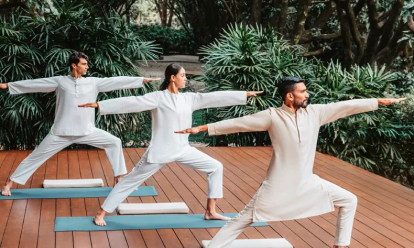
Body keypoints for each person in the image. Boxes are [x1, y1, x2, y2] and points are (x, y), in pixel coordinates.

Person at [176, 76, 405, 248]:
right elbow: (239, 122)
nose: (307, 95)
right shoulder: (272, 116)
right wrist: (203, 128)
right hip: (277, 185)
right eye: (303, 92)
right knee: (242, 220)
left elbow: (346, 106)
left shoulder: (316, 113)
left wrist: (377, 101)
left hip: (307, 182)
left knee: (349, 200)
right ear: (289, 96)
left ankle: (340, 246)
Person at [78, 62, 263, 225]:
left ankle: (211, 211)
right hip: (160, 151)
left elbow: (214, 98)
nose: (186, 79)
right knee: (129, 181)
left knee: (216, 167)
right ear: (172, 78)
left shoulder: (189, 98)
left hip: (182, 149)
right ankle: (101, 213)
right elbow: (132, 102)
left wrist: (244, 94)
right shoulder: (158, 97)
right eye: (183, 75)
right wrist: (101, 105)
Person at [1, 51, 159, 196]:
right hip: (61, 132)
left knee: (114, 142)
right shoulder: (60, 82)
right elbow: (36, 84)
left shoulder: (93, 82)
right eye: (84, 64)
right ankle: (9, 184)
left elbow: (115, 82)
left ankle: (119, 178)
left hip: (87, 131)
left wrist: (141, 80)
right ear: (74, 65)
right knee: (35, 157)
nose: (87, 67)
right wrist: (8, 85)